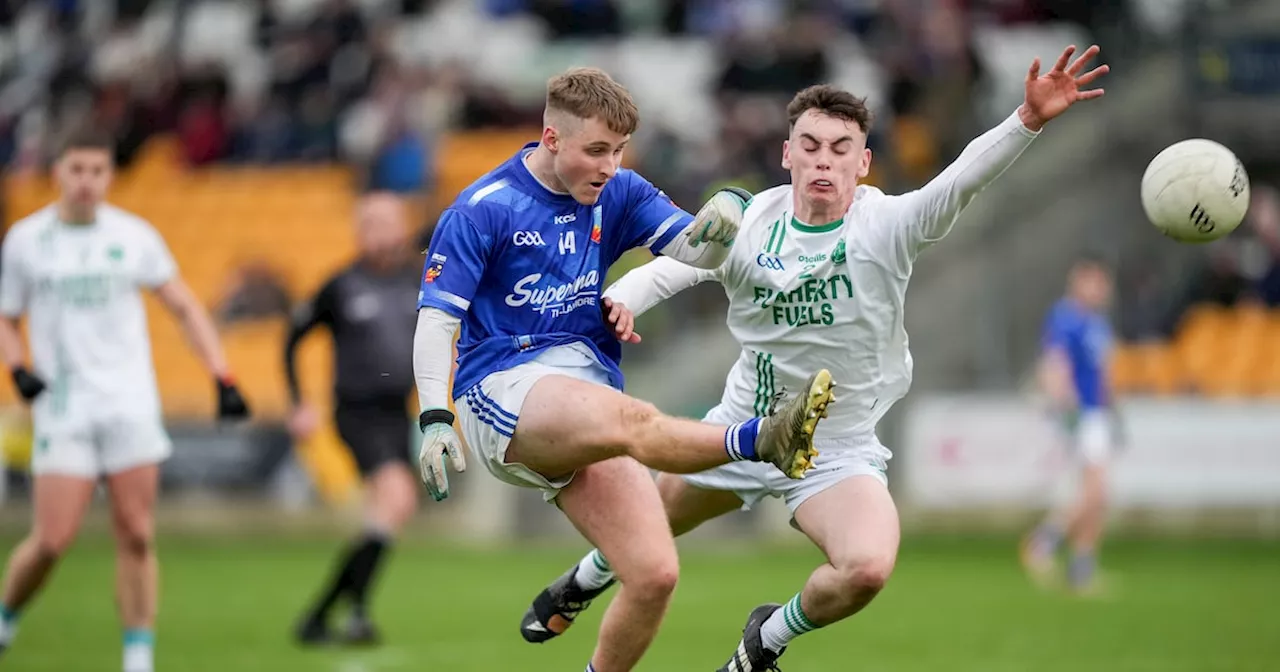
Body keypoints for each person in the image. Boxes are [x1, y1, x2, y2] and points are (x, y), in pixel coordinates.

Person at [522, 45, 1110, 671]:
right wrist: (625, 297)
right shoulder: (751, 220)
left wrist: (1028, 118)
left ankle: (765, 640)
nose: (823, 160)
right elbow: (676, 266)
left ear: (864, 163)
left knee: (866, 569)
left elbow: (961, 178)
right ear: (786, 155)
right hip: (740, 432)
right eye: (809, 145)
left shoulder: (888, 226)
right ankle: (585, 580)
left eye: (839, 148)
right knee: (647, 533)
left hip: (837, 449)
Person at [412, 67, 837, 672]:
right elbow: (435, 322)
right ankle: (762, 437)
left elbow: (696, 251)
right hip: (505, 386)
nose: (609, 165)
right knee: (634, 420)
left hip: (585, 391)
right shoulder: (484, 208)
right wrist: (434, 416)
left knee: (654, 573)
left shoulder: (620, 191)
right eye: (595, 151)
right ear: (552, 139)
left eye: (617, 150)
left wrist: (728, 211)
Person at [0, 128, 250, 672]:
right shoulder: (26, 240)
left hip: (130, 403)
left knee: (137, 533)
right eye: (76, 170)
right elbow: (6, 315)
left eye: (97, 171)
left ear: (110, 176)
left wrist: (222, 376)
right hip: (64, 407)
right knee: (51, 540)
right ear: (58, 173)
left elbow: (183, 305)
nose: (86, 182)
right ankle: (5, 619)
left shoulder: (134, 236)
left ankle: (138, 660)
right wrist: (17, 370)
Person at [284, 192, 423, 645]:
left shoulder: (415, 281)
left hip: (397, 411)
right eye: (374, 223)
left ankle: (324, 617)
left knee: (384, 517)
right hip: (357, 412)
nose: (384, 231)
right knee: (397, 498)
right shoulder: (341, 284)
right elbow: (292, 338)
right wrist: (298, 402)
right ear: (360, 231)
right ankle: (352, 613)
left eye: (391, 221)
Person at [1021, 254, 1120, 595]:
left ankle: (1081, 568)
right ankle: (1042, 544)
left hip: (1098, 415)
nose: (1100, 288)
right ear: (1078, 281)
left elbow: (1103, 374)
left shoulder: (1097, 322)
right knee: (1094, 492)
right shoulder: (1065, 319)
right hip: (1081, 415)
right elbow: (1054, 365)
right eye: (1093, 281)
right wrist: (1068, 410)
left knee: (1096, 496)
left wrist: (1112, 413)